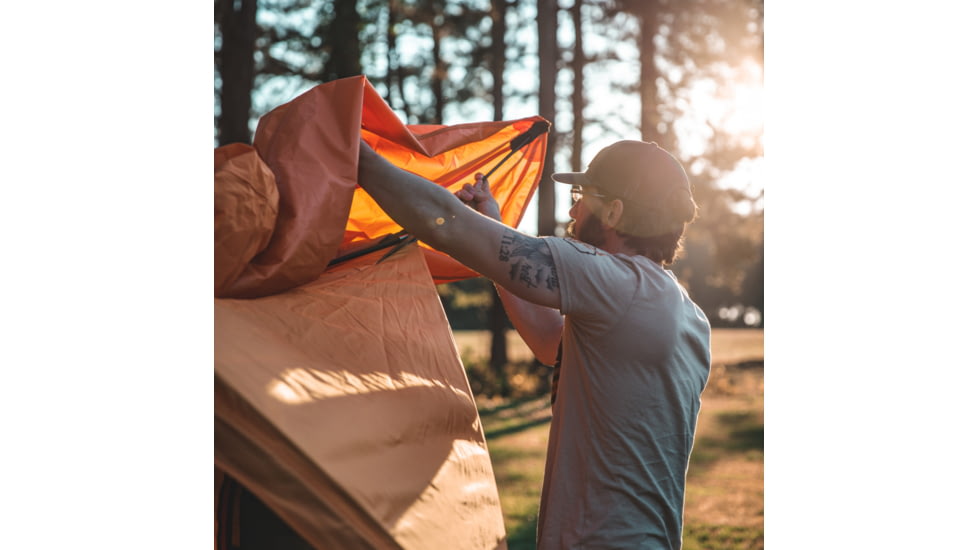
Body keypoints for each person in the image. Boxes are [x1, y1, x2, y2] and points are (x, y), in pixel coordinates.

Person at [357, 138, 711, 550]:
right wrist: (494, 220)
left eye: (583, 196)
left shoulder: (615, 281)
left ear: (614, 212)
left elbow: (446, 222)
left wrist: (358, 157)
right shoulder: (681, 312)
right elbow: (550, 343)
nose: (572, 210)